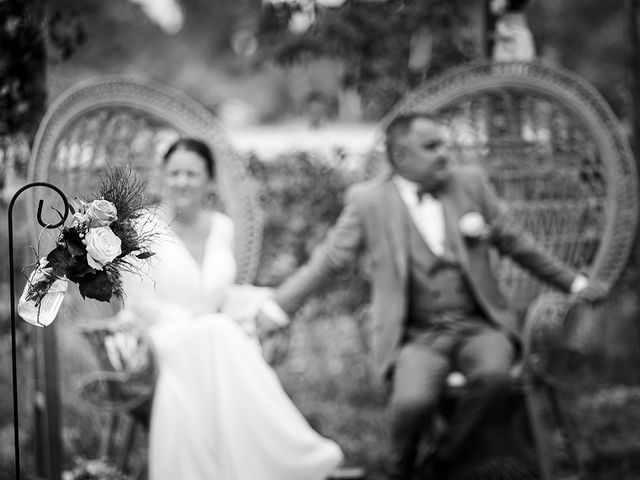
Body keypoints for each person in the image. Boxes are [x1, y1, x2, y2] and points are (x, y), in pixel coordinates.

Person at [258, 112, 604, 479]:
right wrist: (277, 308)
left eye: (445, 144)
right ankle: (401, 469)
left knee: (495, 377)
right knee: (412, 403)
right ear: (401, 157)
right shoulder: (368, 201)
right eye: (431, 146)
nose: (444, 154)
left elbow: (517, 243)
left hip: (478, 326)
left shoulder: (469, 183)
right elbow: (328, 261)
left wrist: (575, 284)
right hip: (417, 337)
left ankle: (438, 464)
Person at [117, 137, 343, 480]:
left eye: (192, 174)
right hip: (156, 336)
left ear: (209, 180)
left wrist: (261, 304)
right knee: (220, 332)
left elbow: (224, 294)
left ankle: (264, 463)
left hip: (213, 338)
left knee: (225, 334)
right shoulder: (141, 228)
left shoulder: (223, 227)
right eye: (174, 173)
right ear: (163, 176)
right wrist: (198, 322)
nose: (182, 182)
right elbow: (138, 304)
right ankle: (292, 454)